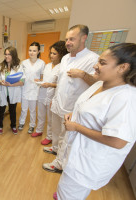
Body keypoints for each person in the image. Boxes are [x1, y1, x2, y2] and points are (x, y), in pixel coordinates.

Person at [54, 43, 136, 200]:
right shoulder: (101, 83)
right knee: (66, 191)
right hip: (75, 155)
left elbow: (118, 141)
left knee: (67, 194)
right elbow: (88, 107)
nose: (95, 66)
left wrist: (76, 126)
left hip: (87, 165)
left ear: (122, 67)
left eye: (102, 63)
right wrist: (75, 114)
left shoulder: (127, 97)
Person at [42, 24, 99, 173]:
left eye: (72, 39)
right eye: (67, 39)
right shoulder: (66, 58)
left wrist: (83, 75)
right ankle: (55, 149)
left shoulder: (92, 59)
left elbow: (99, 84)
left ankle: (59, 163)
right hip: (57, 103)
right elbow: (61, 82)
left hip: (71, 108)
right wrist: (54, 99)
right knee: (55, 131)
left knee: (65, 137)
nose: (68, 42)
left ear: (83, 38)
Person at [31, 41, 68, 145]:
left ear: (61, 54)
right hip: (42, 94)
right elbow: (44, 78)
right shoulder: (47, 65)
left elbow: (61, 85)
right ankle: (39, 130)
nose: (51, 55)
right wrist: (39, 81)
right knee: (41, 115)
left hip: (52, 96)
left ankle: (49, 136)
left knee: (51, 119)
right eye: (51, 53)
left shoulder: (62, 68)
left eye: (54, 53)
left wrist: (50, 85)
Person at [0, 46, 24, 135]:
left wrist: (12, 84)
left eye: (9, 54)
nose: (7, 56)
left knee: (12, 110)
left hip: (13, 92)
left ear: (13, 55)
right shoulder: (0, 67)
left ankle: (13, 125)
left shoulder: (18, 67)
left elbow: (22, 81)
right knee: (1, 110)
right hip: (3, 91)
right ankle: (0, 126)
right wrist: (1, 82)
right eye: (5, 54)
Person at [18, 42, 45, 134]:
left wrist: (40, 80)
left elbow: (42, 77)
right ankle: (21, 122)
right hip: (25, 88)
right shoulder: (24, 63)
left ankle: (32, 125)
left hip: (35, 89)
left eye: (34, 51)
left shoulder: (41, 63)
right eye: (30, 50)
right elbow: (21, 75)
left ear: (38, 51)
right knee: (23, 108)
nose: (31, 52)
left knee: (33, 110)